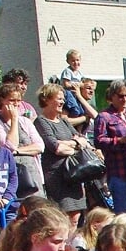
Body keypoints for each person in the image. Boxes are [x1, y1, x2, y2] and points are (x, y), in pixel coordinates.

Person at [33, 84, 91, 227]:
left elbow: (83, 140)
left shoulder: (64, 121)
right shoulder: (41, 122)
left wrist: (71, 143)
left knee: (77, 216)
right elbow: (55, 147)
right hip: (57, 176)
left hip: (74, 175)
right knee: (64, 217)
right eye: (59, 98)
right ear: (46, 99)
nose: (62, 102)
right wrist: (76, 144)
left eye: (63, 99)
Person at [93, 80, 126, 213]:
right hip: (119, 172)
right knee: (123, 214)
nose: (124, 99)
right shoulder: (104, 117)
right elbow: (99, 141)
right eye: (120, 96)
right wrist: (121, 140)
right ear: (112, 96)